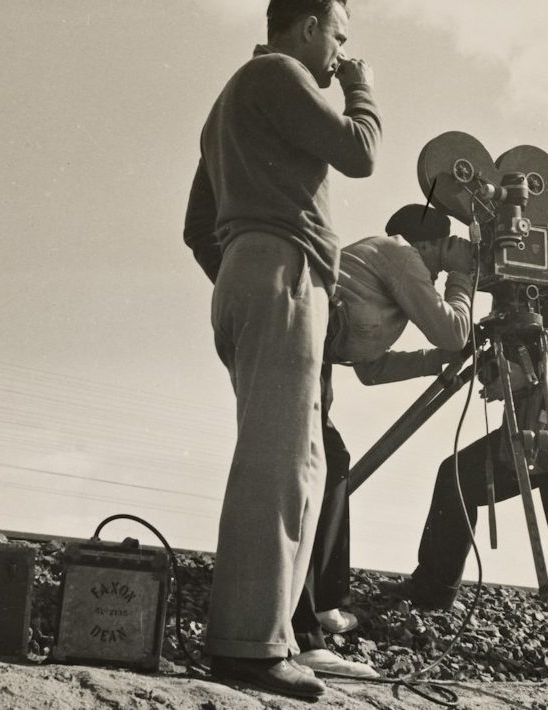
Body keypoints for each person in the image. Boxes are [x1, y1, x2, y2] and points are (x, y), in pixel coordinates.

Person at [181, 0, 381, 699]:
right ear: (309, 26)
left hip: (253, 270)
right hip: (282, 269)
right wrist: (361, 87)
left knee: (298, 464)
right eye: (338, 36)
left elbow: (197, 225)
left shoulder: (229, 105)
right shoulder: (279, 75)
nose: (341, 52)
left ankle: (269, 637)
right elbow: (360, 152)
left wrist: (245, 276)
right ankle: (250, 645)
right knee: (281, 466)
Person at [378, 268, 548, 687]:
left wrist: (528, 372)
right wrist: (497, 367)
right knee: (458, 475)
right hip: (531, 427)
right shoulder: (521, 305)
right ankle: (433, 588)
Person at [286, 203, 474, 676]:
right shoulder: (400, 254)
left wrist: (433, 361)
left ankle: (324, 603)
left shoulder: (387, 274)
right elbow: (454, 332)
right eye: (441, 254)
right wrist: (464, 274)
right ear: (426, 244)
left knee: (333, 462)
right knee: (311, 475)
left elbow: (370, 369)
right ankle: (302, 633)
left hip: (311, 357)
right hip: (293, 351)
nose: (439, 269)